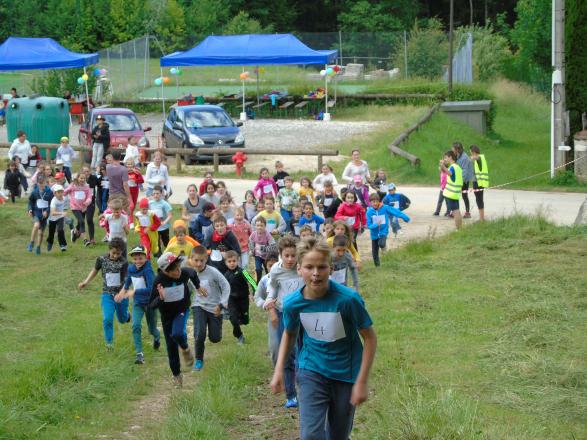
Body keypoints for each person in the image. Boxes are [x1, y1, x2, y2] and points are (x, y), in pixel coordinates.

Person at [270, 237, 377, 440]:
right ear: (299, 269)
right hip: (312, 371)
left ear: (331, 268)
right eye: (309, 267)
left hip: (346, 374)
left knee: (338, 435)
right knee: (310, 435)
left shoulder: (348, 300)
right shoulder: (293, 303)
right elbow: (290, 333)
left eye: (322, 267)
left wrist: (362, 381)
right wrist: (279, 371)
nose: (316, 273)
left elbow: (370, 338)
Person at [264, 236, 304, 409]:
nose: (290, 260)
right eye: (286, 256)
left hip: (303, 314)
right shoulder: (271, 273)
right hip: (281, 314)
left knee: (302, 351)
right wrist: (268, 302)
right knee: (281, 351)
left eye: (293, 256)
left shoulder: (302, 268)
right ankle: (291, 394)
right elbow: (263, 291)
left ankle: (305, 389)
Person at [149, 252, 199, 387]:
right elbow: (151, 306)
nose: (178, 271)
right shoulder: (158, 281)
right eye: (174, 270)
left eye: (178, 267)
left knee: (177, 333)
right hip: (166, 316)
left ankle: (185, 348)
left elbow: (193, 274)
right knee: (171, 347)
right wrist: (160, 298)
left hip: (181, 310)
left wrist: (198, 287)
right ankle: (177, 375)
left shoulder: (184, 272)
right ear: (165, 271)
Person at [78, 238, 129, 350]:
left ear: (122, 252)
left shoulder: (124, 262)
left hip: (121, 295)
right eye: (113, 252)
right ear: (109, 249)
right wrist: (85, 282)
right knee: (107, 319)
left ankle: (127, 315)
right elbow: (95, 270)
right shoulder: (101, 259)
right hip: (107, 295)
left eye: (118, 253)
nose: (116, 255)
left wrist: (121, 294)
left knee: (122, 319)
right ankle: (109, 344)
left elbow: (127, 281)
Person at [187, 245, 230, 372]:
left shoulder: (214, 272)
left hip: (215, 307)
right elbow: (187, 290)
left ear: (206, 259)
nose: (199, 263)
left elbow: (226, 286)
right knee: (199, 333)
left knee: (215, 338)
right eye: (196, 260)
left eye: (202, 261)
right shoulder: (190, 273)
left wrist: (222, 304)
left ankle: (219, 324)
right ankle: (199, 360)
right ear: (191, 259)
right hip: (198, 305)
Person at [115, 245, 160, 365]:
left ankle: (157, 337)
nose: (138, 261)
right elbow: (129, 280)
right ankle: (139, 354)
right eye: (135, 259)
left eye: (140, 258)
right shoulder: (131, 268)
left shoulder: (148, 271)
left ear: (145, 257)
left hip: (150, 303)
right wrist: (123, 291)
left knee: (152, 329)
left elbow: (152, 289)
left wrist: (134, 291)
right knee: (135, 325)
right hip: (138, 303)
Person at [366, 193, 409, 266]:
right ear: (370, 202)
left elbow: (395, 211)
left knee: (381, 244)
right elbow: (369, 225)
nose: (375, 203)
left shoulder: (385, 208)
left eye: (377, 201)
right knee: (374, 252)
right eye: (373, 202)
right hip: (374, 234)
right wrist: (376, 225)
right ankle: (377, 266)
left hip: (383, 232)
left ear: (379, 201)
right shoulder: (369, 212)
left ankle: (383, 246)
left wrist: (405, 217)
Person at [223, 250, 254, 344]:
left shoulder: (242, 271)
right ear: (226, 262)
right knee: (233, 319)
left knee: (245, 320)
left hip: (243, 298)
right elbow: (223, 288)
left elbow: (251, 281)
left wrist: (255, 291)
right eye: (229, 261)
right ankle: (239, 336)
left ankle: (242, 317)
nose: (232, 263)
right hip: (232, 299)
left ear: (238, 260)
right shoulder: (226, 275)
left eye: (234, 261)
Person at [64, 172, 93, 246]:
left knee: (79, 223)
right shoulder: (73, 186)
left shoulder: (87, 187)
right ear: (77, 178)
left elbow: (90, 197)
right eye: (81, 178)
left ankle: (74, 233)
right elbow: (65, 192)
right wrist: (58, 195)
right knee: (82, 221)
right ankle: (85, 240)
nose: (82, 180)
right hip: (74, 207)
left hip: (83, 208)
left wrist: (86, 203)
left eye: (84, 178)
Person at [27, 174, 53, 255]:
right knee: (36, 225)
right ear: (37, 183)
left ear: (46, 183)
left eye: (43, 183)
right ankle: (31, 242)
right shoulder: (35, 192)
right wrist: (30, 210)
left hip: (45, 215)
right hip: (37, 212)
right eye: (40, 183)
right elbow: (30, 201)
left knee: (41, 233)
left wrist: (47, 211)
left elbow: (51, 204)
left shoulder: (49, 192)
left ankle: (38, 247)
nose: (42, 185)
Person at [249, 216, 277, 282]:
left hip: (266, 257)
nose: (259, 227)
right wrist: (252, 250)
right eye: (258, 225)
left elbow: (273, 247)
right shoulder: (253, 234)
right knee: (258, 269)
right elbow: (250, 241)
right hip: (258, 256)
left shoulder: (267, 235)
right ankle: (258, 283)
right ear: (255, 226)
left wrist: (262, 248)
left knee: (268, 270)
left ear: (265, 226)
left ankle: (269, 282)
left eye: (261, 225)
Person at [440, 150, 463, 230]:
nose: (445, 159)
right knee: (457, 211)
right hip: (455, 193)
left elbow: (450, 173)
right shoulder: (458, 167)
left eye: (446, 157)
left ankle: (458, 229)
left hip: (451, 193)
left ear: (450, 157)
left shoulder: (452, 167)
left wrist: (443, 166)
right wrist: (444, 167)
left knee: (455, 212)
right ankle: (459, 228)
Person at [452, 142, 475, 219]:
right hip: (458, 179)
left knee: (464, 195)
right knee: (455, 195)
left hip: (464, 180)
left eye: (453, 148)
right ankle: (455, 212)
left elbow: (465, 171)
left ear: (457, 150)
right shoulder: (457, 156)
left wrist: (460, 181)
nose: (452, 149)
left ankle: (467, 212)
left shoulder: (464, 158)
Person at [149, 185, 173, 252]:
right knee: (157, 244)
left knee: (166, 243)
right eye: (154, 193)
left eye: (157, 193)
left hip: (164, 227)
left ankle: (170, 253)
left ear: (161, 194)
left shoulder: (165, 204)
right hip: (155, 228)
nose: (155, 195)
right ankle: (159, 256)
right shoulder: (150, 203)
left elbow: (170, 215)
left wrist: (164, 222)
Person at [106, 149, 131, 215]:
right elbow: (125, 184)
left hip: (111, 193)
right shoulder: (123, 169)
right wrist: (128, 196)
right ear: (120, 157)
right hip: (121, 194)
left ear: (112, 157)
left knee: (113, 213)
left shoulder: (108, 167)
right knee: (125, 213)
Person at [46, 184, 68, 252]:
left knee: (60, 230)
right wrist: (62, 213)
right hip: (52, 218)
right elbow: (53, 212)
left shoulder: (64, 198)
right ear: (54, 193)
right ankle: (50, 242)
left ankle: (63, 245)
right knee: (51, 233)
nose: (60, 194)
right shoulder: (53, 201)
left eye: (61, 192)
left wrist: (64, 213)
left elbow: (66, 207)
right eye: (58, 192)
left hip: (60, 218)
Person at [469, 145, 489, 221]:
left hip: (478, 182)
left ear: (474, 152)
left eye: (471, 153)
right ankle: (482, 218)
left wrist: (470, 159)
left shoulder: (479, 157)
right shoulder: (482, 158)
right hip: (479, 182)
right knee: (479, 199)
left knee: (479, 200)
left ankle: (481, 218)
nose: (470, 154)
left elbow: (475, 157)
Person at [81, 166, 99, 246]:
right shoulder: (79, 179)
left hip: (91, 202)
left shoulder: (94, 178)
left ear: (90, 171)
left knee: (89, 219)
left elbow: (100, 185)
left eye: (88, 171)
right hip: (81, 203)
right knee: (80, 220)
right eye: (84, 171)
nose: (86, 173)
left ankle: (92, 238)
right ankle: (76, 232)